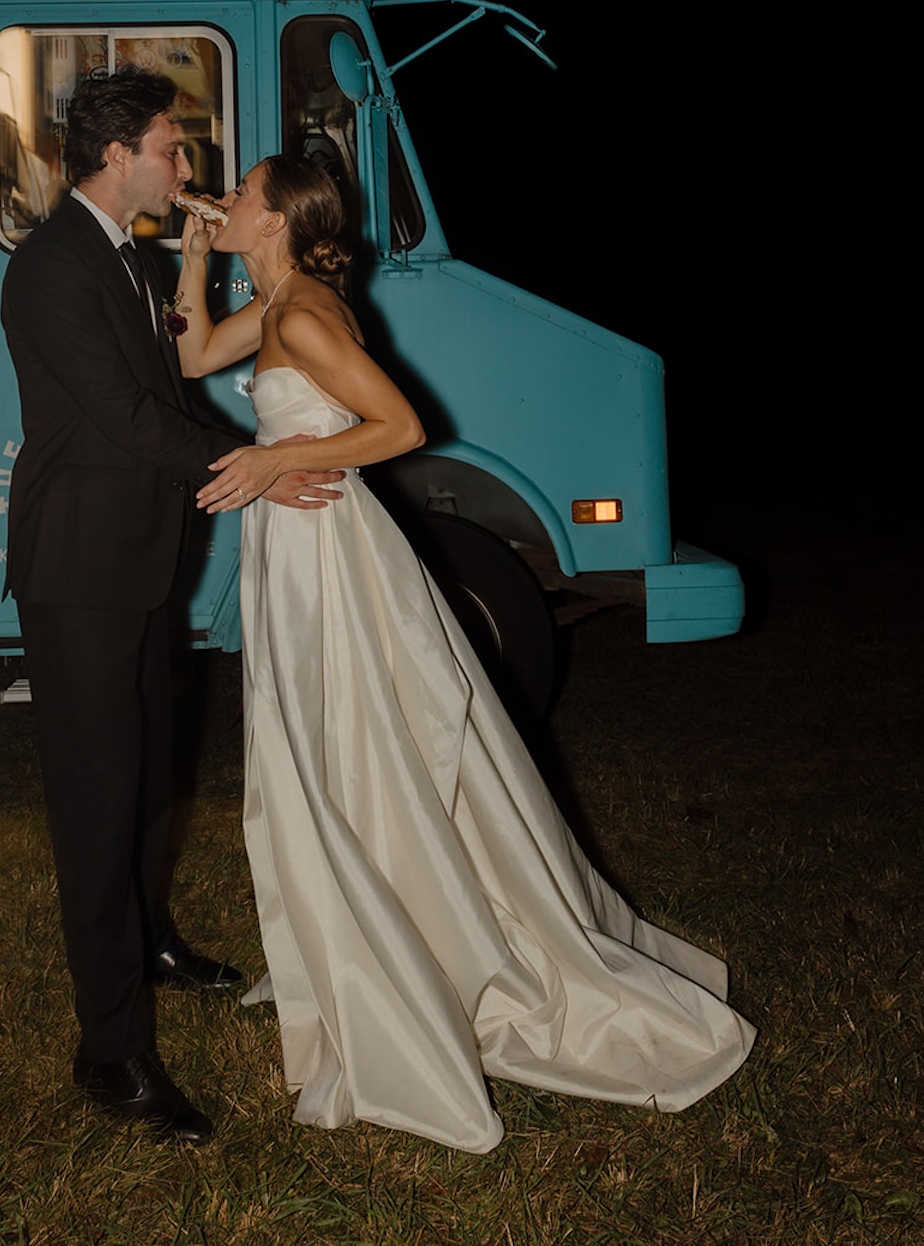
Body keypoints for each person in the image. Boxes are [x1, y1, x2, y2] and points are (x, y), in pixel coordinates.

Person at [174, 155, 757, 1153]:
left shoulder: (304, 314)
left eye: (237, 197)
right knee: (319, 743)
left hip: (326, 552)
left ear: (273, 219)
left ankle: (396, 946)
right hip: (294, 548)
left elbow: (400, 425)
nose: (219, 201)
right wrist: (191, 258)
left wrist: (279, 456)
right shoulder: (274, 301)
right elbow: (190, 360)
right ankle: (357, 928)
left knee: (345, 744)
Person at [0, 72, 343, 1146]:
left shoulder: (137, 256)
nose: (184, 170)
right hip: (81, 571)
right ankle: (111, 1051)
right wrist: (256, 466)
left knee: (151, 772)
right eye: (170, 149)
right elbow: (120, 419)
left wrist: (197, 263)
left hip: (146, 560)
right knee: (97, 803)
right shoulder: (51, 267)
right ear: (116, 159)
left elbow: (177, 378)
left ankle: (149, 935)